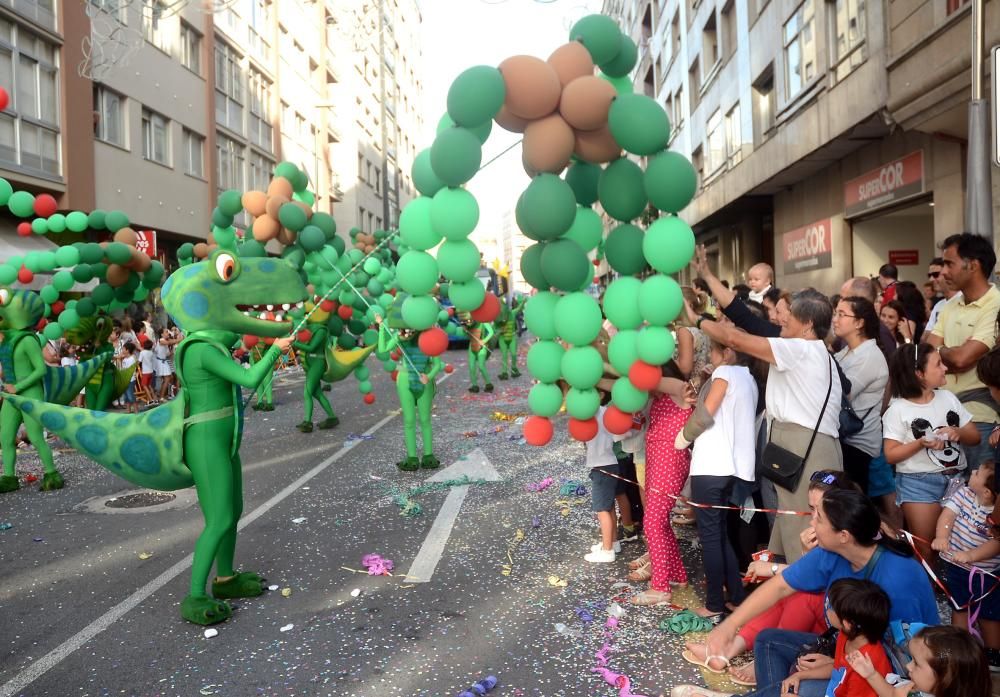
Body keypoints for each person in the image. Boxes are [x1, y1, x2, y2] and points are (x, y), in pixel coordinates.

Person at [672, 488, 939, 697]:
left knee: (797, 688)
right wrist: (728, 627)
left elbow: (901, 660)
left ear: (844, 535)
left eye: (818, 517)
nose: (810, 521)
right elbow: (780, 586)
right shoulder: (831, 551)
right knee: (769, 640)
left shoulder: (899, 578)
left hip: (878, 676)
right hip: (845, 651)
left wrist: (835, 663)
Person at [695, 289, 843, 563]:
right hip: (804, 445)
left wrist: (695, 319)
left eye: (790, 314)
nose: (782, 318)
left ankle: (805, 596)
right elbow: (744, 324)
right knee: (794, 523)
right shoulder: (812, 348)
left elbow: (733, 339)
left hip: (806, 448)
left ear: (808, 324)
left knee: (806, 529)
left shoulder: (799, 348)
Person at [682, 471, 858, 684]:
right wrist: (803, 554)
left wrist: (774, 568)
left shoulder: (849, 536)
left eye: (820, 511)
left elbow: (821, 583)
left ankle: (767, 655)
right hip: (831, 613)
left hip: (841, 625)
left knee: (799, 595)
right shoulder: (827, 528)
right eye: (811, 509)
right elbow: (812, 574)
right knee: (787, 591)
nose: (813, 518)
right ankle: (729, 649)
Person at [674, 338, 760, 618]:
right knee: (720, 535)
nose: (708, 355)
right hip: (734, 468)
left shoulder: (725, 373)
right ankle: (735, 596)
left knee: (711, 537)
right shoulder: (749, 378)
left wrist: (683, 437)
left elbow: (706, 413)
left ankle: (713, 604)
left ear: (728, 352)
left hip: (711, 465)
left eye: (711, 350)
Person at [883, 343, 980, 562]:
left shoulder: (948, 398)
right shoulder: (898, 409)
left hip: (957, 480)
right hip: (918, 484)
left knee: (957, 543)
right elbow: (890, 454)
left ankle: (950, 592)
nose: (945, 367)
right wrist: (921, 443)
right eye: (938, 364)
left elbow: (975, 437)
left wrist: (957, 432)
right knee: (925, 549)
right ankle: (932, 594)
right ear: (919, 373)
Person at [928, 232, 1000, 470]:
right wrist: (951, 352)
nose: (943, 272)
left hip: (981, 417)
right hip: (942, 416)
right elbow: (927, 352)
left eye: (950, 263)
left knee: (982, 494)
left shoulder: (996, 303)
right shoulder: (949, 306)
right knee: (954, 500)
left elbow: (962, 358)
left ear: (974, 265)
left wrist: (946, 353)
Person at [632, 359, 695, 605]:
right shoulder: (657, 399)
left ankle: (660, 587)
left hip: (670, 462)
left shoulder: (680, 390)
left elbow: (646, 380)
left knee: (653, 522)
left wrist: (640, 374)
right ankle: (678, 575)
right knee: (659, 521)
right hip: (657, 463)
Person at [931, 459, 1000, 665]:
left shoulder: (996, 513)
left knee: (989, 614)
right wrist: (942, 536)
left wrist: (971, 556)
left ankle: (993, 654)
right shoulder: (964, 493)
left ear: (987, 492)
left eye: (978, 473)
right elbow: (947, 516)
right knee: (958, 607)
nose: (973, 471)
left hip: (986, 575)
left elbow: (997, 544)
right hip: (956, 567)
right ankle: (958, 648)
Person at [781, 579, 892, 697]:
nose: (826, 608)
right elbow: (838, 670)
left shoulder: (864, 669)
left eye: (831, 607)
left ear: (847, 624)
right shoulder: (848, 636)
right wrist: (799, 675)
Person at [831, 297, 888, 496]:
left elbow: (844, 391)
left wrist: (824, 352)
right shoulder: (846, 351)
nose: (835, 319)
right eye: (835, 313)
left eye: (841, 314)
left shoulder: (869, 356)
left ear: (859, 323)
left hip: (858, 444)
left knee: (851, 500)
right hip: (844, 439)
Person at [847, 625, 992, 697]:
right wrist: (871, 674)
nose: (908, 666)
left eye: (916, 663)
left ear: (945, 679)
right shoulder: (918, 687)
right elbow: (892, 693)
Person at [584, 398, 635, 564]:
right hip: (611, 462)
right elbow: (622, 434)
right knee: (609, 506)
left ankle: (607, 551)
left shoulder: (586, 414)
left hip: (601, 466)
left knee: (602, 510)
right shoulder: (607, 412)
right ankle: (613, 543)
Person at [119, 341, 138, 414]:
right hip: (125, 380)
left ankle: (136, 410)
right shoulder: (125, 359)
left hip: (130, 380)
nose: (122, 350)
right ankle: (128, 410)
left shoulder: (132, 359)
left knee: (130, 395)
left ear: (127, 350)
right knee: (126, 396)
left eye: (123, 349)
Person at [138, 338, 156, 405]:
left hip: (145, 372)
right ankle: (155, 399)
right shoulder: (151, 352)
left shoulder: (142, 353)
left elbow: (139, 361)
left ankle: (151, 400)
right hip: (151, 371)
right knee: (149, 386)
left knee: (144, 386)